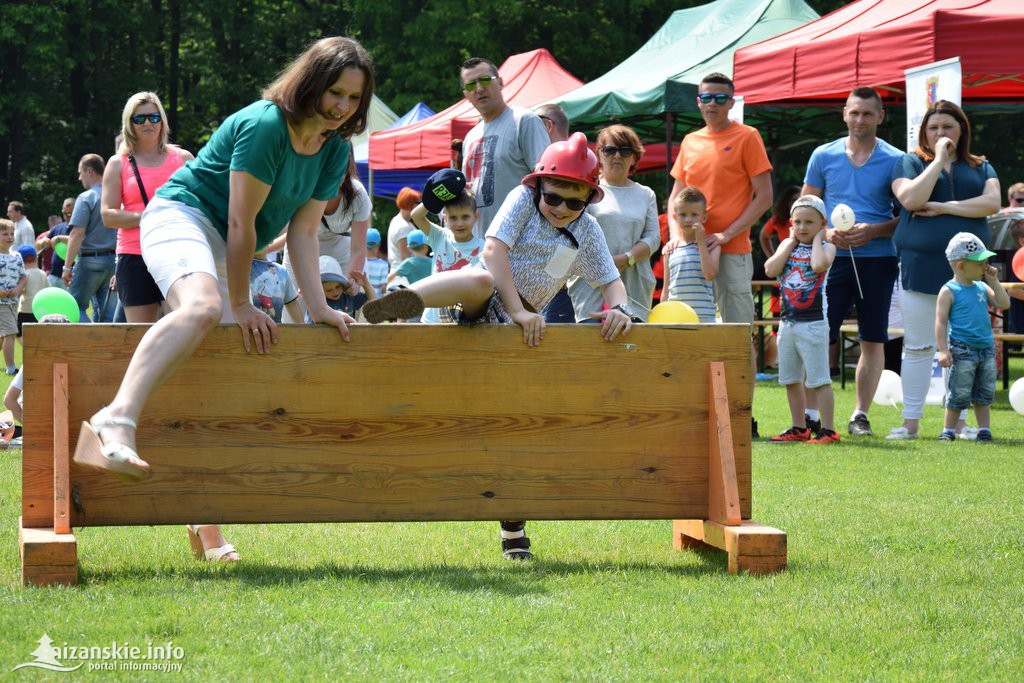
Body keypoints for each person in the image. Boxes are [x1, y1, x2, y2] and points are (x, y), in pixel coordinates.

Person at [70, 36, 375, 566]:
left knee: (214, 361)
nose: (343, 107)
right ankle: (113, 419)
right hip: (182, 217)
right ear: (309, 83)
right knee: (205, 310)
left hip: (230, 238)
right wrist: (240, 302)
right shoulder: (265, 125)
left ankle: (202, 518)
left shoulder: (334, 148)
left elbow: (303, 233)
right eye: (335, 92)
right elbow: (239, 222)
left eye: (354, 98)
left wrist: (319, 306)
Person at [362, 133, 635, 560]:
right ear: (538, 185)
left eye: (574, 202)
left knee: (514, 430)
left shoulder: (586, 229)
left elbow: (611, 281)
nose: (562, 208)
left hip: (517, 336)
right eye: (554, 197)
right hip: (481, 307)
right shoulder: (523, 200)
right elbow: (493, 250)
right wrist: (519, 312)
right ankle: (405, 298)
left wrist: (620, 308)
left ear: (587, 199)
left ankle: (513, 533)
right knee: (480, 278)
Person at [664, 72, 773, 436]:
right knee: (690, 335)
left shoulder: (748, 136)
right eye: (706, 97)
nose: (712, 104)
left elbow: (765, 197)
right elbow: (676, 195)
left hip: (733, 252)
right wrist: (680, 237)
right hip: (690, 255)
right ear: (698, 102)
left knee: (737, 335)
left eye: (720, 98)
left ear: (732, 101)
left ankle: (744, 417)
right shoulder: (691, 141)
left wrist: (725, 234)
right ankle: (695, 414)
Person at [888, 100, 1000, 440]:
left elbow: (991, 203)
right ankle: (910, 422)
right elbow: (909, 199)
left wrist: (940, 206)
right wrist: (938, 159)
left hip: (969, 274)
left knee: (963, 347)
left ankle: (960, 422)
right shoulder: (908, 162)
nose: (941, 133)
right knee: (920, 346)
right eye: (933, 127)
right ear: (924, 132)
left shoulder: (981, 166)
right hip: (920, 268)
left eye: (948, 127)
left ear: (961, 129)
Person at [801, 87, 904, 437]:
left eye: (867, 113)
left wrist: (875, 231)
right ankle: (811, 414)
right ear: (844, 113)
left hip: (879, 260)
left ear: (880, 117)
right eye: (854, 112)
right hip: (831, 261)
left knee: (873, 339)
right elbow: (804, 209)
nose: (860, 119)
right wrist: (827, 232)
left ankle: (859, 415)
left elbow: (908, 217)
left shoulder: (896, 159)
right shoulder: (823, 155)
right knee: (818, 336)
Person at [101, 92, 195, 323]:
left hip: (178, 253)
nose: (147, 123)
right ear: (129, 124)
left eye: (154, 117)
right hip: (134, 256)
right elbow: (108, 215)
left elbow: (200, 206)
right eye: (139, 118)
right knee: (141, 335)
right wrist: (150, 216)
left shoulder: (183, 159)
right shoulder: (117, 163)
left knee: (182, 327)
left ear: (162, 120)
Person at [763, 195, 839, 444]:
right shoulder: (788, 246)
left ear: (822, 224)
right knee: (790, 378)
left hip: (814, 323)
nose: (802, 227)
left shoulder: (827, 247)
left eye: (809, 222)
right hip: (788, 323)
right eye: (797, 222)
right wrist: (788, 243)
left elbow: (818, 265)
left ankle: (828, 429)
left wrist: (819, 239)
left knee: (818, 379)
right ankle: (799, 427)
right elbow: (771, 270)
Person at [569, 125, 659, 321]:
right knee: (590, 346)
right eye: (610, 150)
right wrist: (606, 265)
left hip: (635, 286)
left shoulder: (646, 194)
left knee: (631, 348)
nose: (617, 156)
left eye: (625, 150)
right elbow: (574, 235)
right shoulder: (586, 191)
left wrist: (628, 258)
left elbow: (653, 238)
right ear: (600, 155)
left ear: (634, 157)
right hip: (590, 285)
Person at [460, 57, 550, 239]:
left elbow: (548, 182)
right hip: (481, 246)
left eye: (485, 80)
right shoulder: (470, 137)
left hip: (524, 242)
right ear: (466, 95)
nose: (479, 89)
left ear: (500, 82)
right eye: (471, 85)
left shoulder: (524, 121)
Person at [935, 233, 1010, 442]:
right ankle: (948, 430)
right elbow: (940, 322)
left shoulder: (982, 286)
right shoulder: (949, 291)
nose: (986, 267)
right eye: (980, 263)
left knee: (984, 393)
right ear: (961, 266)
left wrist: (994, 281)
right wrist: (943, 350)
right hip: (962, 349)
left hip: (985, 348)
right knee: (958, 393)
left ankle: (984, 429)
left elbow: (1004, 303)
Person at [411, 169, 484, 323]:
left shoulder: (483, 247)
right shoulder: (439, 236)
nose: (459, 223)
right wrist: (437, 197)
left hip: (462, 320)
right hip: (432, 319)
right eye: (453, 218)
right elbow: (416, 216)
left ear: (476, 217)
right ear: (445, 218)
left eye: (465, 217)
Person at [63, 154, 118, 322]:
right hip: (113, 262)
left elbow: (77, 234)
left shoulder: (86, 197)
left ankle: (87, 347)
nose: (79, 177)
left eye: (80, 173)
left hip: (89, 261)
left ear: (89, 171)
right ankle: (106, 348)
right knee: (108, 316)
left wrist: (67, 267)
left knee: (73, 308)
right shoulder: (116, 197)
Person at [534, 103, 574, 324]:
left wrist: (552, 277)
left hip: (560, 284)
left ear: (548, 126)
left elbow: (577, 228)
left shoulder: (569, 165)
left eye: (533, 124)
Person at [662, 186, 719, 323]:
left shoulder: (712, 246)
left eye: (694, 215)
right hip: (675, 317)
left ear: (704, 217)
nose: (688, 219)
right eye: (683, 214)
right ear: (675, 217)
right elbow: (666, 289)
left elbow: (710, 274)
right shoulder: (670, 250)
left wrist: (700, 243)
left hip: (703, 318)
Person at [0, 220, 26, 374]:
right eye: (5, 234)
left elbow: (24, 277)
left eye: (11, 234)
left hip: (13, 302)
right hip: (0, 303)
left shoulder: (17, 256)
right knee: (11, 332)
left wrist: (18, 288)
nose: (9, 237)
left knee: (4, 335)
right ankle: (11, 369)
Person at [251, 247, 301, 323]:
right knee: (270, 311)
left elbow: (292, 302)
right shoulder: (237, 267)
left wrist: (302, 329)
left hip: (277, 332)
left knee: (270, 313)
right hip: (263, 297)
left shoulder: (281, 271)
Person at [315, 254, 374, 319]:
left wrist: (366, 285)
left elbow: (374, 302)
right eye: (329, 290)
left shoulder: (348, 297)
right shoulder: (317, 303)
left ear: (342, 284)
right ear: (320, 289)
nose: (335, 292)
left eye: (338, 287)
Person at [35, 197, 74, 287]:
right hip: (53, 274)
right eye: (65, 213)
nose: (67, 216)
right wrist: (42, 242)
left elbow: (80, 240)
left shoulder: (80, 228)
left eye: (70, 214)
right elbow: (37, 247)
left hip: (70, 275)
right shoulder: (58, 227)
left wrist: (59, 238)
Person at [15, 245, 48, 337]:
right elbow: (48, 290)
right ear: (37, 258)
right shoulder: (43, 274)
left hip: (25, 310)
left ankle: (28, 348)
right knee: (37, 335)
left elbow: (20, 291)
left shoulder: (25, 275)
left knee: (18, 334)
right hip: (40, 311)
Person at [758, 186, 800, 258]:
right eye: (794, 200)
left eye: (801, 200)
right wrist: (772, 258)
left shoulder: (814, 218)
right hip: (786, 265)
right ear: (787, 202)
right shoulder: (779, 219)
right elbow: (764, 237)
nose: (797, 203)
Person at [387, 188, 420, 271]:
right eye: (417, 202)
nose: (418, 205)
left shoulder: (397, 220)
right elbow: (405, 258)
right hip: (404, 276)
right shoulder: (403, 227)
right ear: (411, 204)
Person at [364, 228, 389, 297]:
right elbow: (383, 288)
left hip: (361, 302)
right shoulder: (383, 265)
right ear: (379, 245)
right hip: (377, 302)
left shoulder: (360, 263)